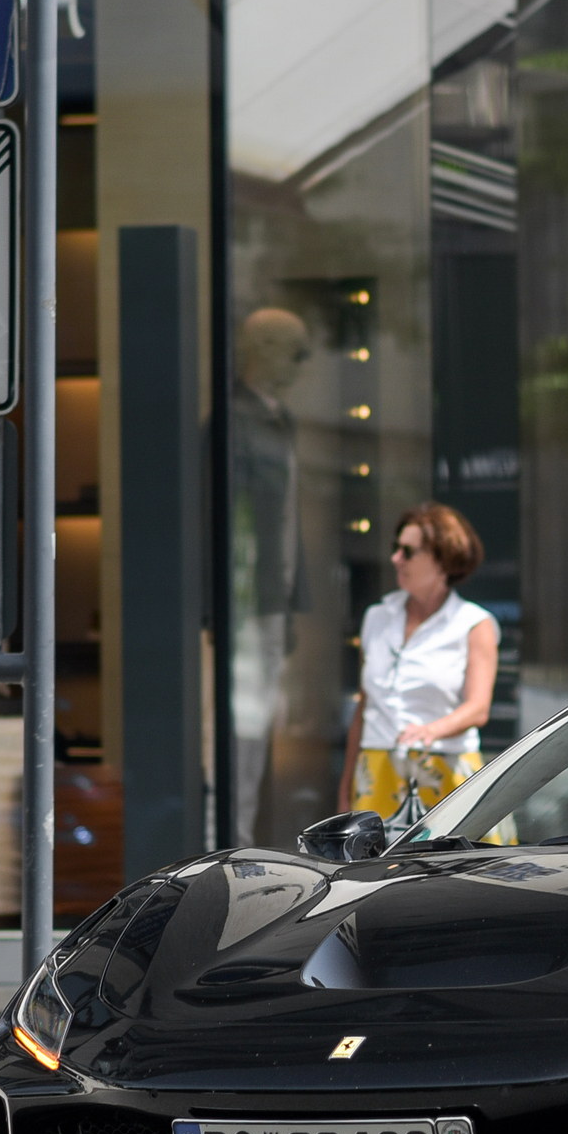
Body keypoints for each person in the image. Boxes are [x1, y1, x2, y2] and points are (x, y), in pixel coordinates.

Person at [339, 504, 500, 822]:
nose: (396, 559)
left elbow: (478, 708)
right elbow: (364, 706)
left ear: (443, 560)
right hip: (376, 769)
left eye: (408, 551)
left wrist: (431, 730)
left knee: (450, 869)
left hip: (445, 771)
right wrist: (345, 790)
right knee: (369, 869)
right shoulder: (377, 616)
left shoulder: (473, 623)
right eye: (395, 548)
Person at [231, 307, 313, 842]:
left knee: (254, 738)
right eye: (294, 350)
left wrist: (292, 605)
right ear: (260, 348)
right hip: (242, 607)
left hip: (265, 606)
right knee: (237, 740)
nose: (303, 364)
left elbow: (288, 521)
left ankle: (233, 843)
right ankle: (224, 849)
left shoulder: (281, 421)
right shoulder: (236, 423)